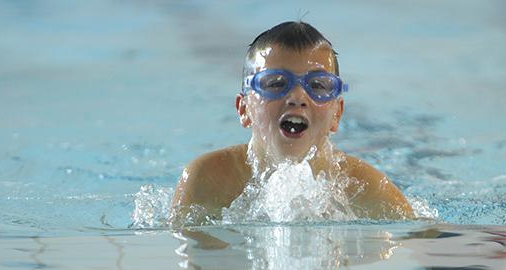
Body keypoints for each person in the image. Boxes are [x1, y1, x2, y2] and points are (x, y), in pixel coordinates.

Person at [171, 21, 413, 224]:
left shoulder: (367, 191)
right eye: (275, 83)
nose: (297, 97)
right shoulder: (207, 182)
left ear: (337, 114)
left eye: (318, 85)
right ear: (243, 109)